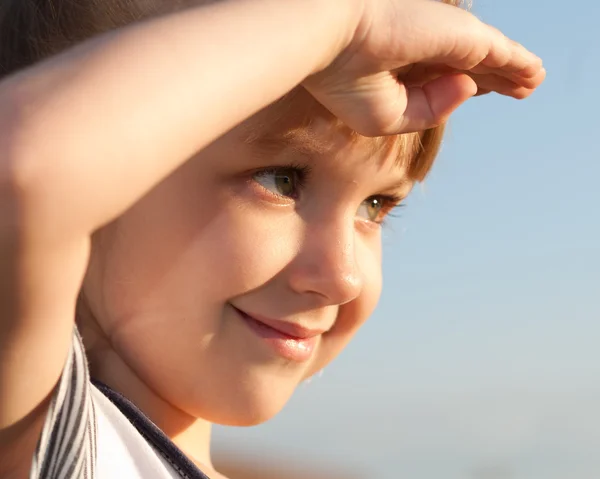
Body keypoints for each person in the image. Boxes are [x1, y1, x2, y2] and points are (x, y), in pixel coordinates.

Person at [0, 0, 545, 477]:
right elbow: (21, 168)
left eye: (376, 207)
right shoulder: (44, 435)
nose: (341, 277)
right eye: (280, 180)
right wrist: (345, 25)